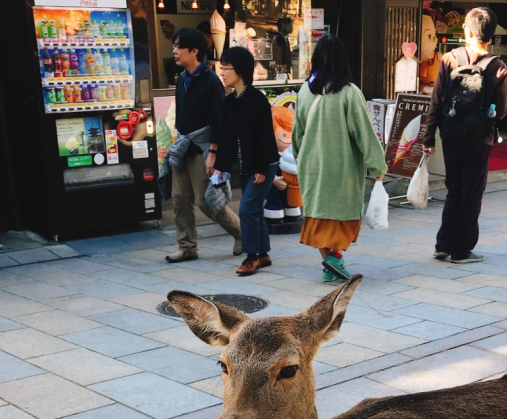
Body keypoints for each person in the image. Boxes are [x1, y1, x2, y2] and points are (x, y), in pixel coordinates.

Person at [292, 34, 387, 282]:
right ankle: (334, 261)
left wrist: (300, 160)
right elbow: (364, 133)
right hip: (342, 168)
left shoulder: (304, 91)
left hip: (312, 166)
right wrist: (377, 164)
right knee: (341, 217)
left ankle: (330, 264)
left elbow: (296, 135)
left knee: (320, 216)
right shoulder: (349, 93)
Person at [422, 6, 507, 264]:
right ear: (491, 35)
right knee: (471, 194)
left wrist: (428, 139)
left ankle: (444, 244)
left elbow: (436, 101)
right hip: (479, 139)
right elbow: (501, 111)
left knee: (454, 190)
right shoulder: (498, 67)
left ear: (466, 31)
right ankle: (461, 251)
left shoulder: (449, 59)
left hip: (450, 136)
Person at [165, 28, 241, 263]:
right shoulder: (182, 79)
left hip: (204, 148)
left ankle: (242, 233)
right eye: (174, 46)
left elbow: (219, 120)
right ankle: (187, 247)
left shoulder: (210, 81)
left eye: (179, 47)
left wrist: (214, 154)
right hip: (183, 146)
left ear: (194, 51)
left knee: (206, 201)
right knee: (179, 199)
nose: (175, 51)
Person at [214, 46, 280, 276]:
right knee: (254, 209)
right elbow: (226, 138)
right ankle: (263, 253)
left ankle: (251, 257)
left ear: (240, 71)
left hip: (264, 164)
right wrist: (221, 166)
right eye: (221, 67)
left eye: (226, 68)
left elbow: (264, 136)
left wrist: (261, 168)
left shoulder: (256, 99)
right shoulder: (229, 101)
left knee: (247, 208)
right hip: (244, 165)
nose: (222, 72)